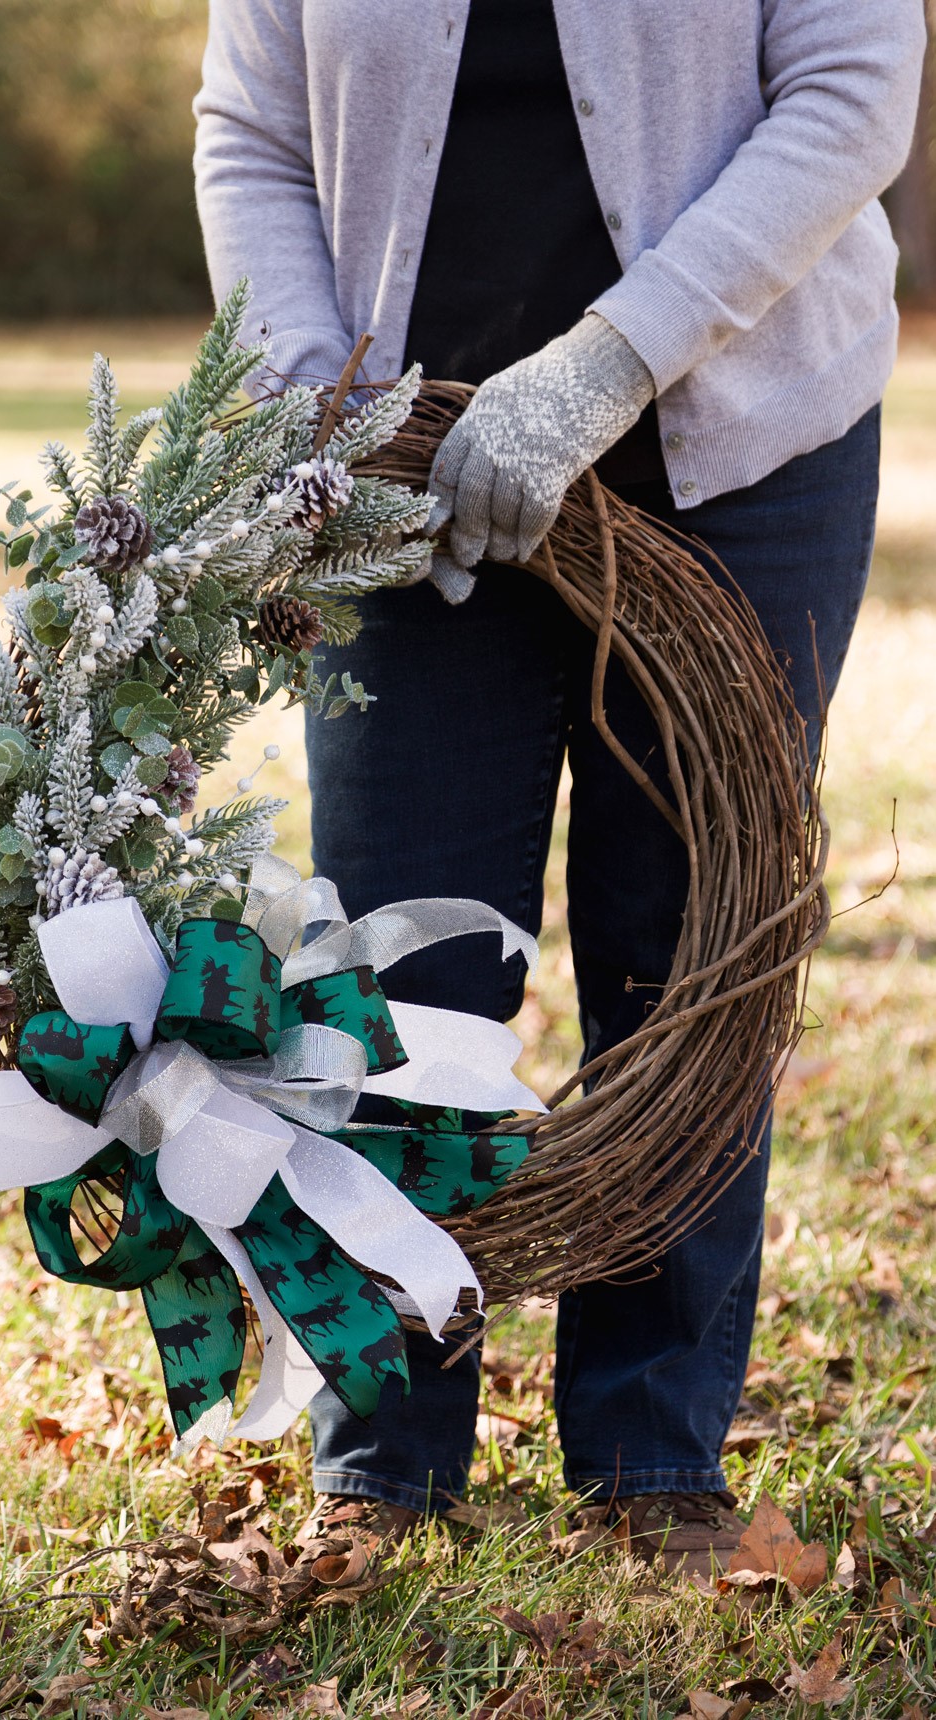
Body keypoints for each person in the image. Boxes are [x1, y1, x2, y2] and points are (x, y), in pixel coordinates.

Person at [193, 0, 926, 1573]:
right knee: (398, 970)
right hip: (398, 474)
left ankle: (653, 1456)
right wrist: (322, 406)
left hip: (741, 453)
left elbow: (854, 92)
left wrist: (609, 363)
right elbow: (250, 131)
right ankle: (387, 1464)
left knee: (689, 961)